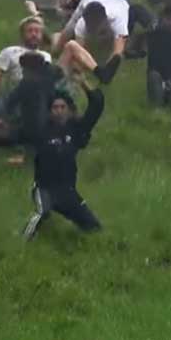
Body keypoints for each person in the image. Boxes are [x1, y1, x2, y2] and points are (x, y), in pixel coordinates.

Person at [21, 82, 107, 240]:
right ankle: (22, 240)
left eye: (63, 107)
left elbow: (96, 107)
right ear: (49, 111)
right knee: (43, 211)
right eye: (55, 107)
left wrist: (83, 83)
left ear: (68, 110)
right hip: (44, 188)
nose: (59, 111)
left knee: (95, 228)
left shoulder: (76, 129)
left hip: (67, 192)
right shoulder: (42, 130)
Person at [54, 0, 130, 84]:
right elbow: (78, 52)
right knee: (57, 48)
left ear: (105, 20)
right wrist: (80, 69)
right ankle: (55, 37)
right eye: (91, 27)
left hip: (119, 2)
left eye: (96, 27)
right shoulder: (81, 23)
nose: (93, 29)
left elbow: (117, 53)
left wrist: (107, 72)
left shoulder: (118, 20)